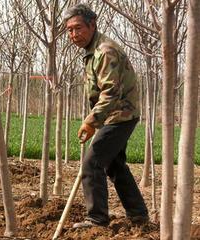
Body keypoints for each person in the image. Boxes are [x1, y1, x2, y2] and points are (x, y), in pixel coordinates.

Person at [63, 4, 149, 228]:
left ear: (92, 24)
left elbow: (111, 92)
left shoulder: (105, 51)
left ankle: (96, 218)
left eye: (78, 28)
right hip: (114, 115)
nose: (74, 35)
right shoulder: (93, 51)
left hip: (120, 115)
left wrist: (91, 121)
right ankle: (138, 214)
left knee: (92, 163)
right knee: (114, 165)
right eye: (69, 30)